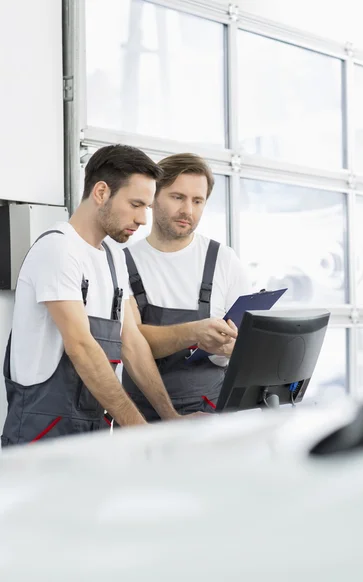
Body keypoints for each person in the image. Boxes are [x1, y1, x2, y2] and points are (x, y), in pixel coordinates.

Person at [1, 145, 200, 447]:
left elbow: (131, 343)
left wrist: (169, 420)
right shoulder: (58, 250)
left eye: (146, 207)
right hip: (41, 438)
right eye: (135, 204)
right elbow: (81, 347)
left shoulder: (113, 258)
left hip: (91, 434)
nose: (143, 219)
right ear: (101, 192)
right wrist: (140, 429)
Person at [122, 153, 250, 421]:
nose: (187, 211)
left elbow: (251, 346)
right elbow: (132, 343)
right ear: (153, 197)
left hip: (212, 415)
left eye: (197, 201)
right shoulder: (122, 263)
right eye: (177, 197)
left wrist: (232, 349)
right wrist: (196, 332)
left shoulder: (224, 261)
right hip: (143, 421)